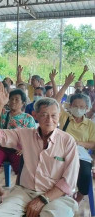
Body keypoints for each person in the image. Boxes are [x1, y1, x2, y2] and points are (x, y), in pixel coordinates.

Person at [0, 81, 79, 217]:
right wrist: (0, 104)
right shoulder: (25, 134)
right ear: (35, 115)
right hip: (25, 192)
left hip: (56, 195)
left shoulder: (67, 141)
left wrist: (43, 199)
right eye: (44, 115)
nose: (49, 120)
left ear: (59, 117)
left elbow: (68, 182)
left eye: (53, 116)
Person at [0, 67, 36, 201]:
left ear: (23, 103)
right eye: (11, 99)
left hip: (17, 149)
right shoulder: (1, 112)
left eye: (17, 100)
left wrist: (24, 149)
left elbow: (33, 138)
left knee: (27, 168)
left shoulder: (27, 118)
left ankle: (18, 195)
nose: (12, 102)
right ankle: (2, 192)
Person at [53, 74, 95, 204]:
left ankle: (78, 199)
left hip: (81, 155)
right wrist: (65, 85)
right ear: (70, 106)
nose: (78, 109)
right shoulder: (65, 117)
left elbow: (93, 144)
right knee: (54, 169)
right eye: (75, 106)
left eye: (82, 107)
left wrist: (78, 143)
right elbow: (56, 101)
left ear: (87, 109)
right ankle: (57, 195)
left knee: (85, 174)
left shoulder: (90, 124)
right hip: (63, 152)